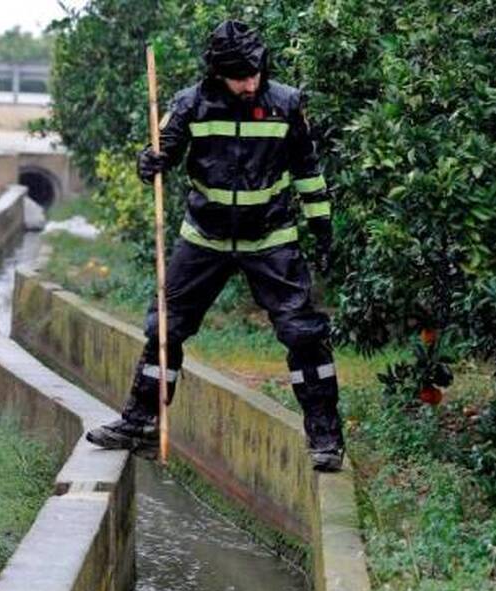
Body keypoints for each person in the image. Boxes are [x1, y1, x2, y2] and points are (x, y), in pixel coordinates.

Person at [85, 20, 344, 472]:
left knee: (304, 335)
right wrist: (149, 162)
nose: (250, 84)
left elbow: (308, 172)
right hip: (204, 239)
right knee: (165, 328)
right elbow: (160, 152)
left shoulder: (286, 104)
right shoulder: (190, 104)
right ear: (217, 73)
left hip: (271, 239)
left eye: (254, 73)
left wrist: (322, 230)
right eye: (239, 77)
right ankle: (140, 423)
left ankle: (325, 439)